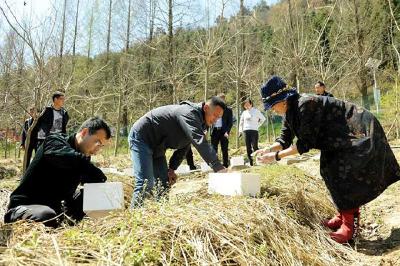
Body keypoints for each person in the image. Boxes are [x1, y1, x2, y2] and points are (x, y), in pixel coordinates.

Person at [254, 76, 400, 243]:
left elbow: (305, 144)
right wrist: (270, 149)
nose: (272, 110)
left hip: (358, 130)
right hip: (338, 140)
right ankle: (344, 213)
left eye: (272, 106)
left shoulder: (305, 104)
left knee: (343, 173)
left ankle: (349, 225)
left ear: (283, 100)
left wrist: (277, 156)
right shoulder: (290, 111)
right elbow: (284, 138)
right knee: (328, 169)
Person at [4, 117, 111, 228]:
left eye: (101, 145)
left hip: (55, 208)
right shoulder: (54, 141)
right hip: (26, 206)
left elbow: (92, 179)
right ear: (84, 132)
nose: (98, 149)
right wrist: (94, 171)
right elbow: (67, 157)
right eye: (97, 142)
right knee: (47, 215)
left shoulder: (83, 159)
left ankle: (66, 225)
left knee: (89, 195)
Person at [128, 97, 227, 207]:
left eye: (218, 117)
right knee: (145, 183)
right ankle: (133, 217)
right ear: (206, 108)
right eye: (214, 115)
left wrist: (171, 168)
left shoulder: (203, 123)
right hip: (142, 138)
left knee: (164, 183)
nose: (215, 120)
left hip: (158, 147)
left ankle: (161, 213)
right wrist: (218, 167)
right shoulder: (188, 113)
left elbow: (185, 146)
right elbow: (199, 141)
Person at [239, 98, 266, 166]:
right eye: (245, 105)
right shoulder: (244, 112)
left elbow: (263, 119)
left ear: (251, 104)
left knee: (255, 146)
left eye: (248, 105)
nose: (247, 106)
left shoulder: (256, 111)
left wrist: (257, 125)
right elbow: (241, 122)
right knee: (248, 147)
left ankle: (258, 161)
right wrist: (240, 131)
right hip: (246, 131)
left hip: (254, 130)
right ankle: (251, 162)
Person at [211, 93, 233, 168]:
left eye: (222, 99)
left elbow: (230, 122)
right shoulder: (212, 108)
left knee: (224, 149)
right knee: (213, 149)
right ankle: (215, 165)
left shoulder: (228, 110)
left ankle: (225, 164)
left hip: (224, 132)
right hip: (214, 131)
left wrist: (227, 131)